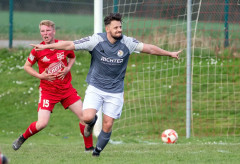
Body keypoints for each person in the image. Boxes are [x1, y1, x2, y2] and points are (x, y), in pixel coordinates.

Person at [30, 13, 182, 157]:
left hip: (115, 91)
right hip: (95, 87)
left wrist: (169, 53)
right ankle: (91, 123)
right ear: (108, 29)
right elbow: (70, 44)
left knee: (108, 125)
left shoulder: (127, 42)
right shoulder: (96, 40)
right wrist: (46, 47)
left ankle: (96, 153)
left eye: (120, 27)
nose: (119, 30)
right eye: (116, 27)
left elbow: (149, 48)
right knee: (88, 117)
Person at [12, 20, 94, 152]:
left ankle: (89, 149)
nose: (45, 33)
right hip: (48, 91)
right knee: (42, 123)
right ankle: (22, 138)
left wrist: (68, 68)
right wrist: (40, 76)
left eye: (48, 30)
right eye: (43, 31)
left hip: (66, 89)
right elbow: (26, 66)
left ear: (53, 32)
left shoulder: (62, 45)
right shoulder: (37, 50)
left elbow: (72, 57)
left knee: (85, 117)